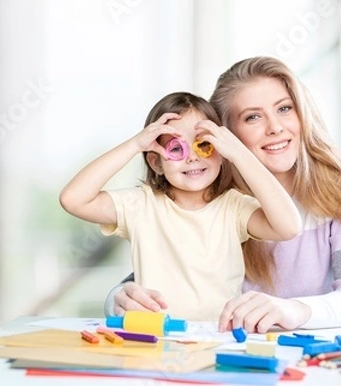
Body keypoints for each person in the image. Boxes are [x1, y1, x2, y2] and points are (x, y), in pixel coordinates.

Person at [104, 56, 341, 333]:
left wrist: (292, 310)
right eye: (253, 117)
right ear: (224, 135)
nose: (275, 127)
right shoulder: (220, 203)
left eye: (285, 109)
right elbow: (167, 276)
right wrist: (118, 298)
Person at [60, 91, 301, 321]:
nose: (193, 157)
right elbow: (73, 199)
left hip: (219, 336)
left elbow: (289, 227)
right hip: (155, 336)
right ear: (156, 163)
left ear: (221, 152)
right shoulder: (141, 205)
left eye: (203, 145)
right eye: (176, 148)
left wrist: (239, 153)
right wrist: (135, 145)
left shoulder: (233, 207)